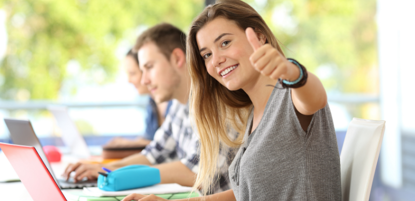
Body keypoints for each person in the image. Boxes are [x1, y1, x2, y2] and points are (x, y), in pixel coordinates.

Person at [122, 0, 341, 201]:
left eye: (225, 43)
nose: (216, 60)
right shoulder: (252, 115)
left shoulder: (289, 96)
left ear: (259, 36)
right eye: (206, 54)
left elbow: (315, 97)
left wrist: (293, 71)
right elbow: (244, 194)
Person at [63, 23, 236, 194]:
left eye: (149, 67)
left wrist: (123, 176)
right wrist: (104, 169)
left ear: (177, 58)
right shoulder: (178, 104)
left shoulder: (217, 103)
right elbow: (154, 154)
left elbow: (196, 172)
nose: (144, 80)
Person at [104, 49, 172, 148]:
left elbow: (170, 146)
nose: (129, 80)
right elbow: (150, 140)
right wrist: (128, 143)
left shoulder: (178, 102)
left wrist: (131, 144)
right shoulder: (151, 103)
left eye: (132, 73)